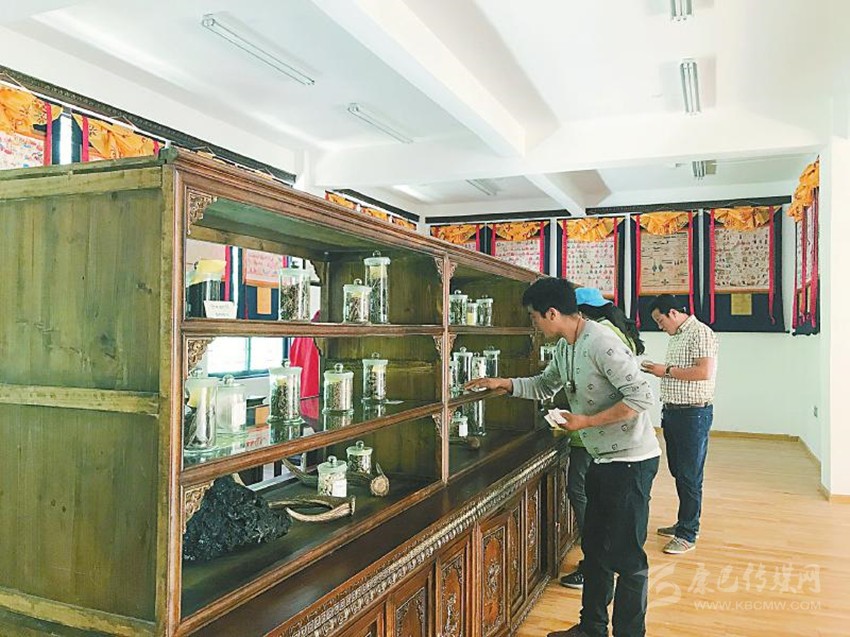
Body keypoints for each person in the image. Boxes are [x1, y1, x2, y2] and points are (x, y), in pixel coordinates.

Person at [466, 278, 660, 637]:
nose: (534, 324)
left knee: (627, 557)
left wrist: (586, 421)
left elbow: (641, 397)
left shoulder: (601, 342)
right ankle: (592, 628)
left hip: (631, 462)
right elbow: (544, 385)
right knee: (595, 549)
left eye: (534, 317)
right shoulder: (565, 347)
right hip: (602, 459)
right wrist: (504, 383)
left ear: (552, 313)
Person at [559, 287, 646, 590]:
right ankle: (599, 568)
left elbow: (638, 396)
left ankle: (596, 564)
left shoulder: (600, 336)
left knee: (586, 497)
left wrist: (585, 419)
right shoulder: (613, 329)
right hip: (606, 441)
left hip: (610, 442)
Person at [642, 294, 718, 555]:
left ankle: (688, 533)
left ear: (673, 313)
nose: (659, 326)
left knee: (690, 475)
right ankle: (683, 522)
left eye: (660, 320)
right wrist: (660, 370)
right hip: (673, 412)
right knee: (679, 472)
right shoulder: (677, 336)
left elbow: (704, 372)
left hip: (693, 414)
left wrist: (665, 370)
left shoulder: (701, 333)